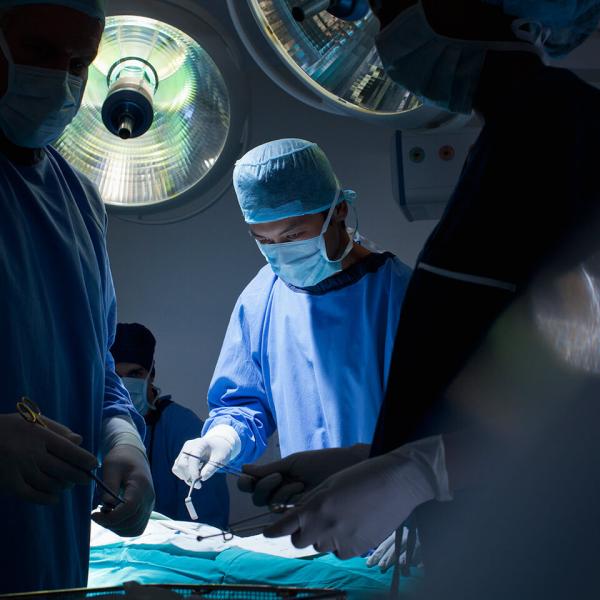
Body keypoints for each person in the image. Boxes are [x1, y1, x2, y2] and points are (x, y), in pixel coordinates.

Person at [240, 0, 600, 575]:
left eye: (393, 2)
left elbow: (581, 402)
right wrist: (371, 459)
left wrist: (422, 472)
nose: (382, 21)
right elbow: (494, 379)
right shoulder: (513, 135)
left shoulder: (567, 128)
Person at [0, 1, 155, 594]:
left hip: (54, 567)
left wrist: (122, 436)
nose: (59, 80)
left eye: (78, 63)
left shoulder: (80, 199)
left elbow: (97, 363)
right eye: (39, 52)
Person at [172, 138, 412, 499]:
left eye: (294, 235)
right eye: (264, 240)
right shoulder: (262, 297)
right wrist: (223, 437)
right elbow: (244, 402)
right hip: (314, 517)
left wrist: (420, 505)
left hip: (396, 513)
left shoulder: (399, 295)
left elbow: (442, 427)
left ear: (340, 210)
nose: (281, 253)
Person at [111, 323, 230, 528]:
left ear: (151, 374)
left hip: (170, 553)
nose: (125, 384)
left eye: (135, 373)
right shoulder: (94, 429)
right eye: (115, 375)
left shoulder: (183, 428)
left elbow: (206, 524)